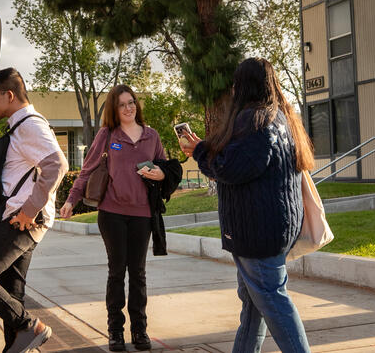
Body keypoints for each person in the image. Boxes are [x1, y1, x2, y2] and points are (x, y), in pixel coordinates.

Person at [179, 58, 314, 353]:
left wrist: (199, 151)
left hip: (258, 231)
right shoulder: (282, 118)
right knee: (255, 304)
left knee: (273, 302)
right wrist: (205, 147)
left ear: (243, 86)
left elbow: (229, 168)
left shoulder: (254, 121)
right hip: (277, 226)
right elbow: (246, 162)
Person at [0, 68, 69, 353]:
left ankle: (31, 325)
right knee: (11, 292)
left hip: (21, 221)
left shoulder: (31, 125)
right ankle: (19, 343)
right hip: (23, 219)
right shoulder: (22, 125)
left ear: (9, 95)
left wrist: (29, 211)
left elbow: (57, 165)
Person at [60, 84, 168, 351]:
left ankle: (140, 330)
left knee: (139, 273)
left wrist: (161, 174)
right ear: (114, 109)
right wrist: (71, 200)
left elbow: (165, 168)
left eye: (131, 102)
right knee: (117, 271)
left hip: (142, 215)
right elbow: (87, 170)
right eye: (122, 104)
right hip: (112, 214)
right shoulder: (107, 135)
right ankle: (115, 332)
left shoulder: (151, 136)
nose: (129, 107)